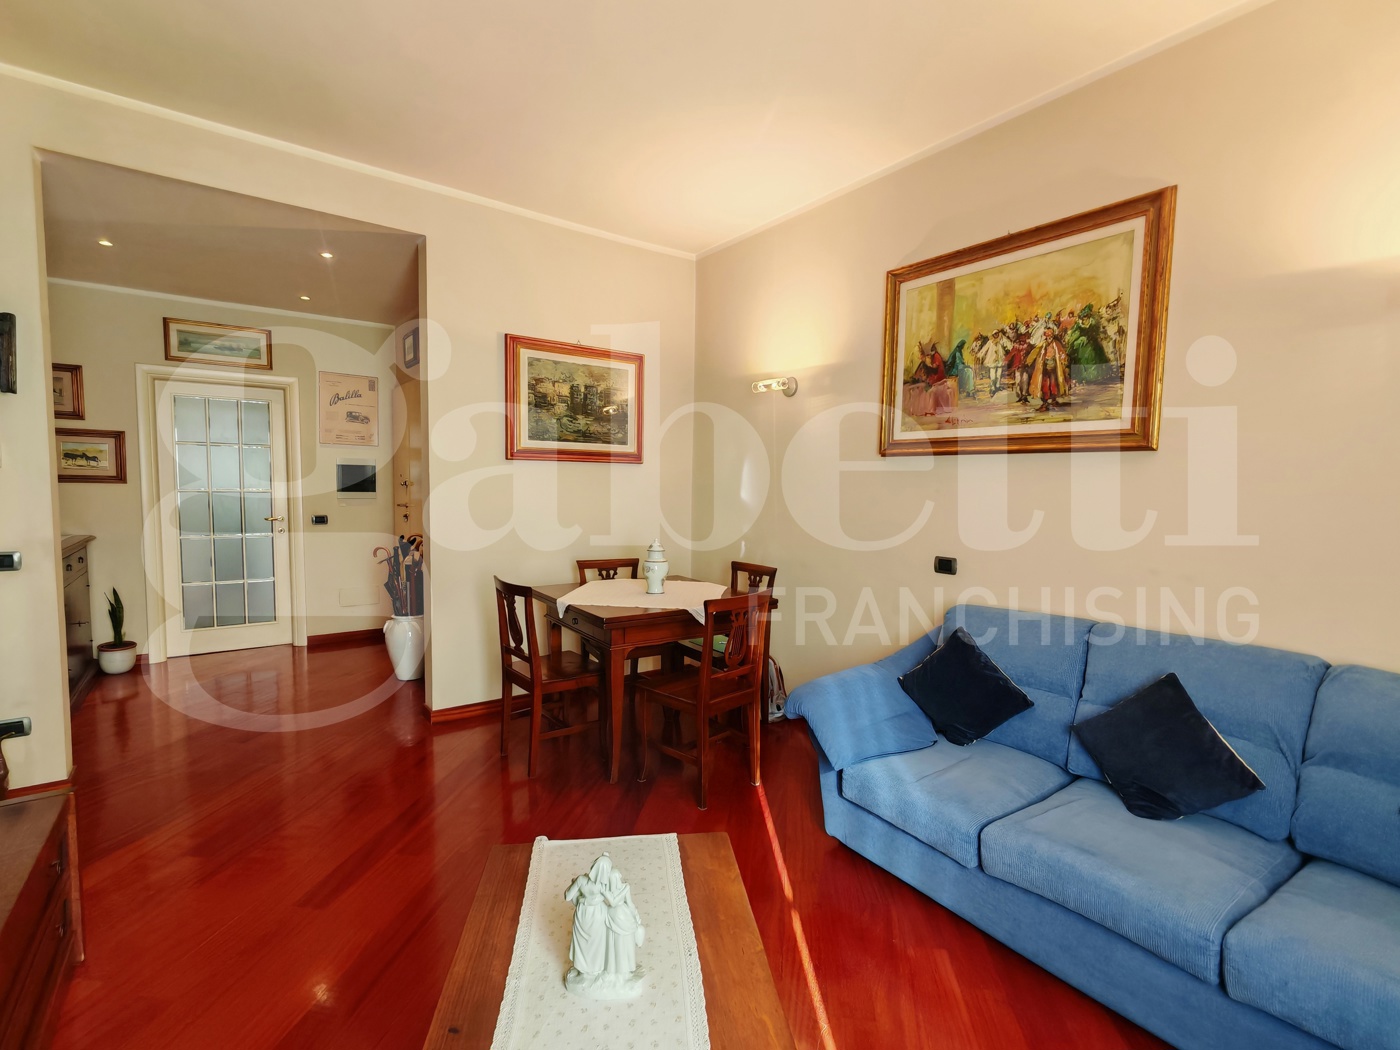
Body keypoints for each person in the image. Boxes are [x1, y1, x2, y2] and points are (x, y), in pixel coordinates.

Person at [564, 854, 612, 976]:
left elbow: (567, 896)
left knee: (582, 943)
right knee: (597, 943)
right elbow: (611, 900)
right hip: (598, 914)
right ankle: (597, 968)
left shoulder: (581, 880)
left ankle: (583, 969)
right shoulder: (604, 885)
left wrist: (577, 891)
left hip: (583, 914)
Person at [602, 868, 644, 975]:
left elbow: (629, 903)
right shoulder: (611, 889)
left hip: (620, 915)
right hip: (617, 915)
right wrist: (625, 890)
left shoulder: (609, 889)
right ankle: (619, 968)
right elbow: (614, 903)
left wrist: (635, 915)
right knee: (619, 941)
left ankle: (624, 967)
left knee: (621, 941)